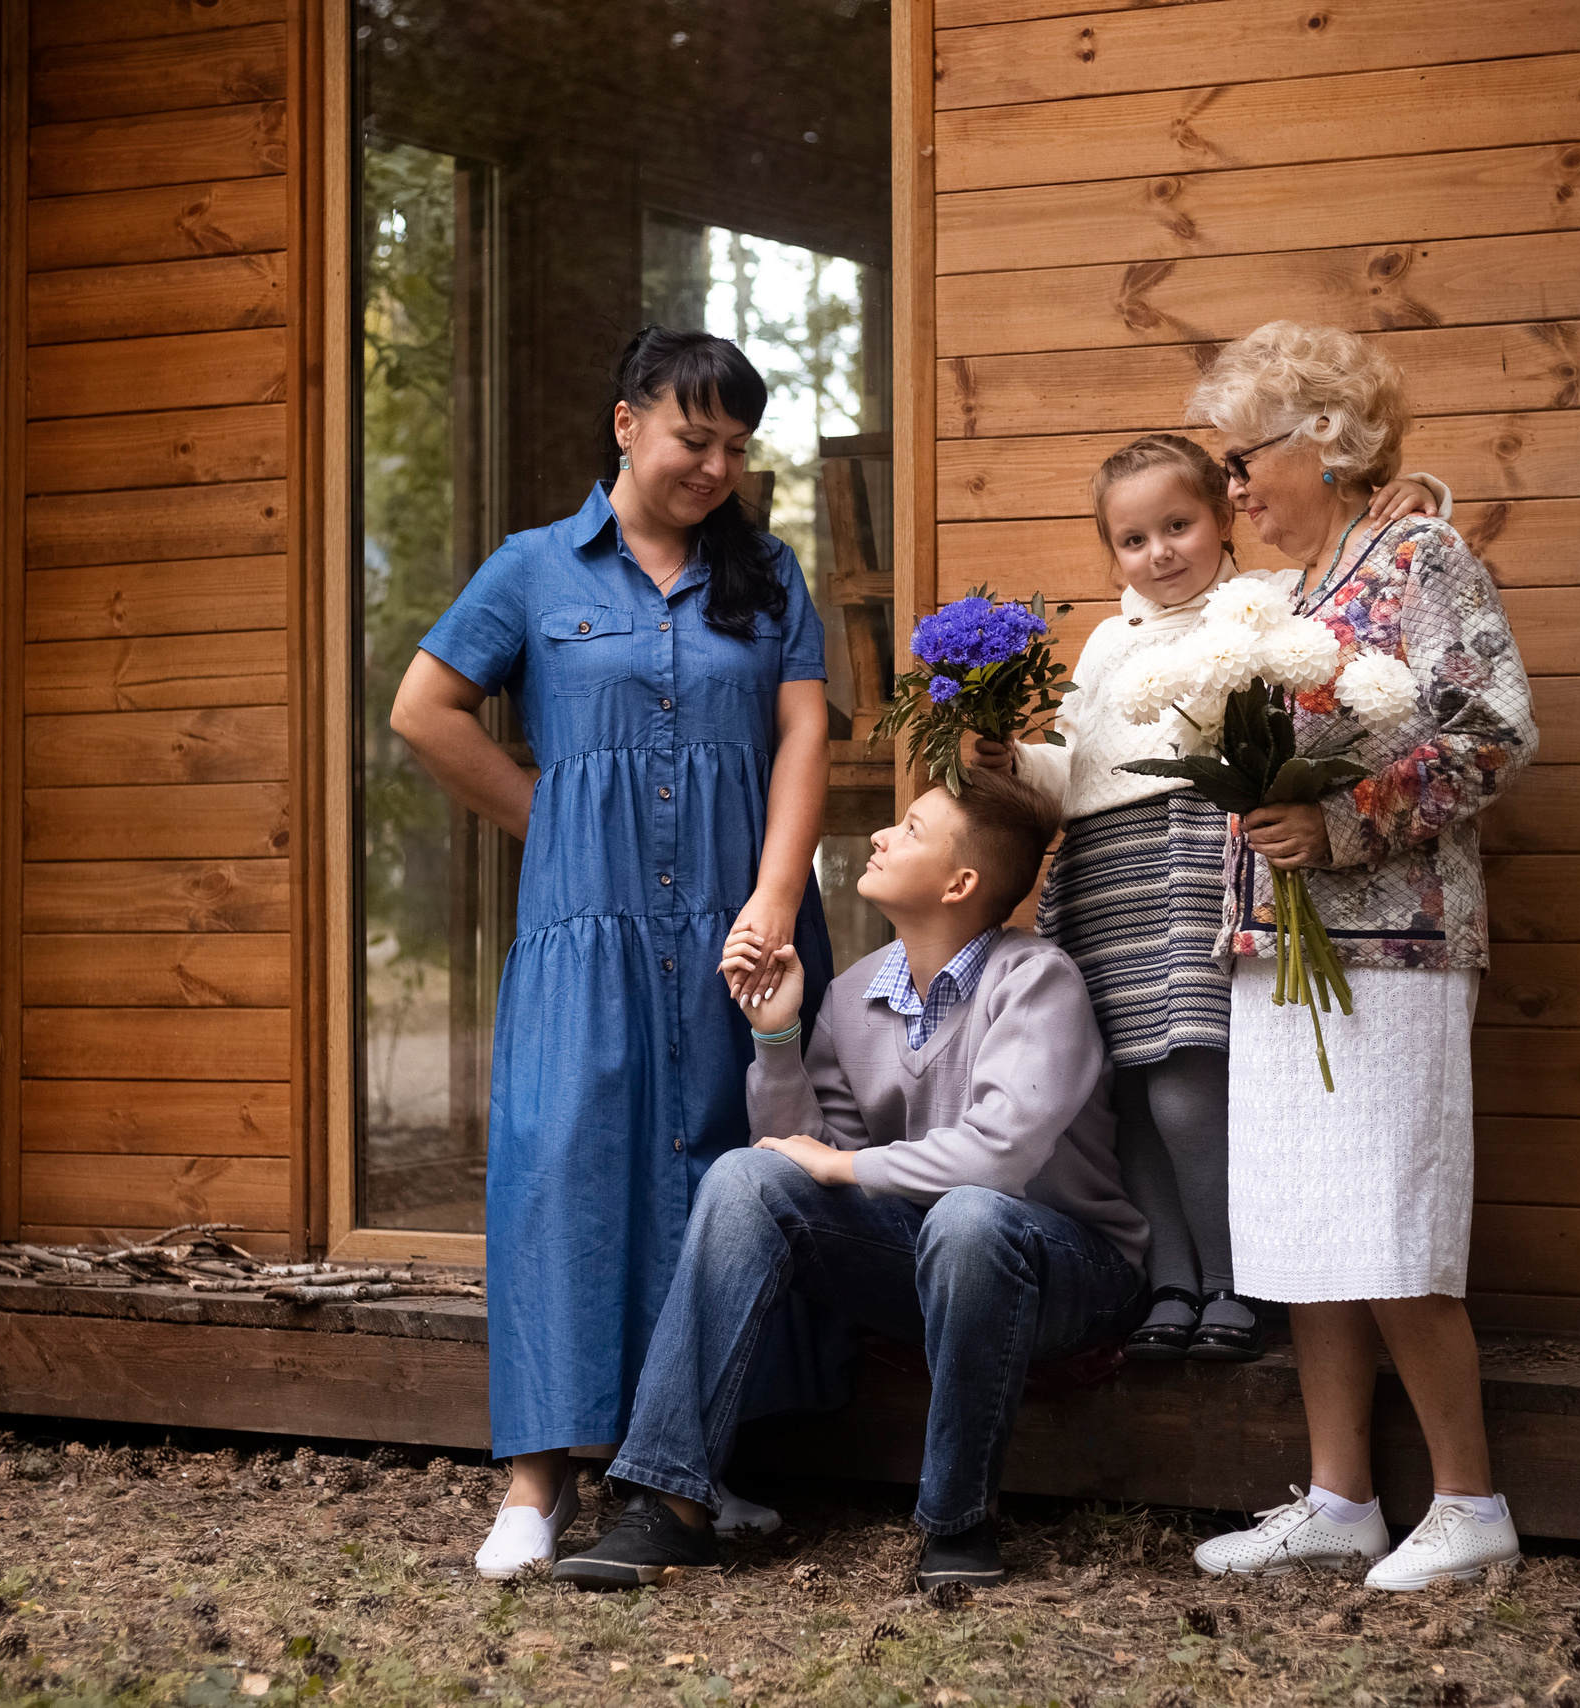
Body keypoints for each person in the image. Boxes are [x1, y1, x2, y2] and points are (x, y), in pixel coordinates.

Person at [389, 328, 833, 1579]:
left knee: (721, 1168)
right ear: (627, 423)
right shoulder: (533, 568)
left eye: (737, 449)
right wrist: (552, 820)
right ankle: (535, 1485)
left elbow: (802, 736)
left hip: (737, 926)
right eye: (696, 438)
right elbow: (423, 708)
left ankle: (694, 1468)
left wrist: (777, 892)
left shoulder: (766, 572)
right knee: (562, 1165)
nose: (715, 467)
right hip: (583, 928)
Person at [550, 768, 1148, 1592]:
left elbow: (1000, 1157)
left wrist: (843, 1163)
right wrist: (778, 1037)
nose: (878, 835)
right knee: (745, 1175)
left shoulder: (1036, 979)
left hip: (1071, 1273)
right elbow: (804, 1165)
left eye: (907, 828)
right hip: (929, 1262)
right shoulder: (852, 994)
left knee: (971, 1215)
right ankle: (667, 1507)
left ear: (960, 882)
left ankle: (958, 1524)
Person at [1182, 321, 1536, 1591]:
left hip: (1392, 947)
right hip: (1278, 948)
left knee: (1390, 1226)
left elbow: (1492, 732)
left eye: (1240, 460)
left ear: (1322, 443)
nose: (1228, 487)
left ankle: (1468, 1498)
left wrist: (1338, 822)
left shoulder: (1419, 557)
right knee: (1298, 1232)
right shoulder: (1276, 595)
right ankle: (1340, 1497)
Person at [968, 437, 1447, 1362]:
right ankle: (1172, 1280)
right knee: (1134, 1089)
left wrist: (1422, 490)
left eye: (1178, 525)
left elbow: (1360, 578)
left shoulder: (1261, 603)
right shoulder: (1110, 641)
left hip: (1196, 851)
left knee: (1191, 1081)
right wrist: (1010, 763)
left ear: (1225, 518)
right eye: (1133, 539)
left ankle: (1235, 1277)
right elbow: (1073, 769)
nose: (1159, 553)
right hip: (1104, 866)